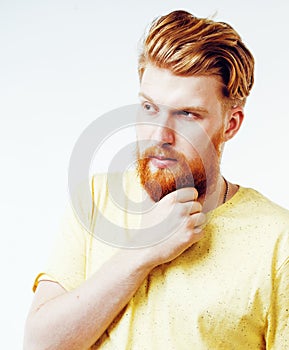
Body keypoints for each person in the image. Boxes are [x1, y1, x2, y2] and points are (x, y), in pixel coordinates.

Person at [24, 10, 289, 349]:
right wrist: (141, 251)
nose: (159, 134)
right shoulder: (96, 198)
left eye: (187, 114)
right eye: (149, 108)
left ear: (231, 124)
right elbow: (40, 344)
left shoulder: (278, 240)